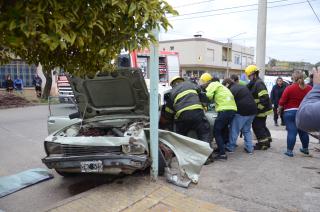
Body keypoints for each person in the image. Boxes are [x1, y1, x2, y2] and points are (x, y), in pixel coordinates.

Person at [199, 73, 237, 160]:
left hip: (225, 109)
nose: (203, 85)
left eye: (203, 83)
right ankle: (221, 148)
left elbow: (208, 96)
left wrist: (200, 96)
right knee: (223, 129)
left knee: (216, 131)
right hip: (232, 109)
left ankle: (222, 154)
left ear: (206, 82)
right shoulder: (220, 86)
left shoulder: (212, 84)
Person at [164, 76, 211, 144]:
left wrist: (168, 120)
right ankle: (207, 152)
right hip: (197, 113)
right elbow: (200, 90)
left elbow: (169, 111)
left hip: (183, 116)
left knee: (181, 137)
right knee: (204, 133)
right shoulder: (190, 84)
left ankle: (183, 152)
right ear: (182, 81)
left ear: (172, 84)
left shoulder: (172, 92)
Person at [278, 70, 312, 157]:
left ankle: (289, 151)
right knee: (304, 132)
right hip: (304, 112)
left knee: (292, 132)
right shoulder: (309, 88)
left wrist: (278, 110)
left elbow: (282, 101)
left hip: (290, 112)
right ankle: (305, 149)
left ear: (293, 78)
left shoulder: (289, 88)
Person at [222, 78, 257, 154]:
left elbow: (228, 102)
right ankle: (249, 148)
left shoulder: (231, 89)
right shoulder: (242, 86)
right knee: (247, 130)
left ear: (227, 84)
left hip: (242, 112)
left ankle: (231, 147)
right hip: (253, 110)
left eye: (224, 86)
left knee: (234, 129)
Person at [245, 65, 273, 150]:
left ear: (254, 74)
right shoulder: (255, 83)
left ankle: (263, 144)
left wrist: (258, 109)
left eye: (249, 76)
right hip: (261, 109)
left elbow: (264, 98)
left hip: (261, 110)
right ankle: (267, 140)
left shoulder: (259, 83)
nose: (249, 78)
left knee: (257, 126)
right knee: (262, 126)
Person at [296, 67, 320, 133]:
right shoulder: (309, 87)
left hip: (301, 111)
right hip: (308, 109)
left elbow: (303, 116)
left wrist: (318, 87)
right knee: (303, 133)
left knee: (293, 130)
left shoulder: (289, 88)